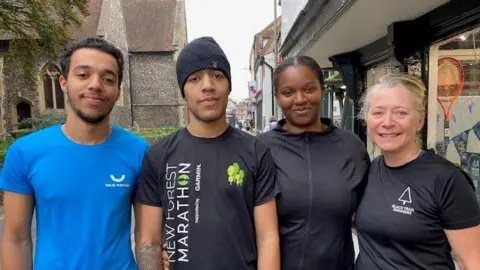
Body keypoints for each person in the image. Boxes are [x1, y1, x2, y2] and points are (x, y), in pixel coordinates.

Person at [162, 55, 369, 270]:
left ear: (322, 90)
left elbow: (370, 215)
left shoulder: (351, 147)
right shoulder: (257, 149)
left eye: (309, 89)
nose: (299, 100)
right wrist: (171, 248)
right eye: (288, 92)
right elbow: (217, 210)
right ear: (277, 97)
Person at [0, 37, 148, 269]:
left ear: (118, 91)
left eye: (108, 79)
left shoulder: (140, 152)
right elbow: (16, 240)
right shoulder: (24, 153)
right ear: (64, 82)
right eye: (83, 75)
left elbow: (147, 238)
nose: (95, 85)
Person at [134, 36, 280, 270]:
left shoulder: (255, 151)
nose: (207, 86)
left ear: (229, 86)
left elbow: (268, 238)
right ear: (183, 90)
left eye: (217, 76)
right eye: (194, 78)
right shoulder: (159, 156)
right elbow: (149, 242)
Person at [355, 73, 480, 270]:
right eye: (378, 112)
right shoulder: (370, 169)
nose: (387, 122)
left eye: (401, 113)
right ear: (367, 119)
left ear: (420, 120)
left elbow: (472, 262)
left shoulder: (447, 180)